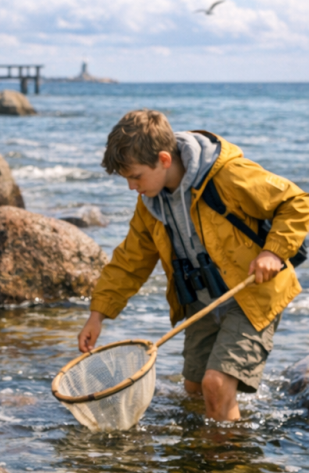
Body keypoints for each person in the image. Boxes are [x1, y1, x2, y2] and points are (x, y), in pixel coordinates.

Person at [79, 109, 309, 421]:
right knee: (193, 388)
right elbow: (129, 261)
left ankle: (227, 463)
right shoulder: (150, 203)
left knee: (215, 385)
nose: (132, 187)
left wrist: (274, 253)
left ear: (163, 159)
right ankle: (204, 451)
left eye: (135, 176)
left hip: (253, 295)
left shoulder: (229, 175)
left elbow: (296, 202)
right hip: (201, 302)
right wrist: (98, 315)